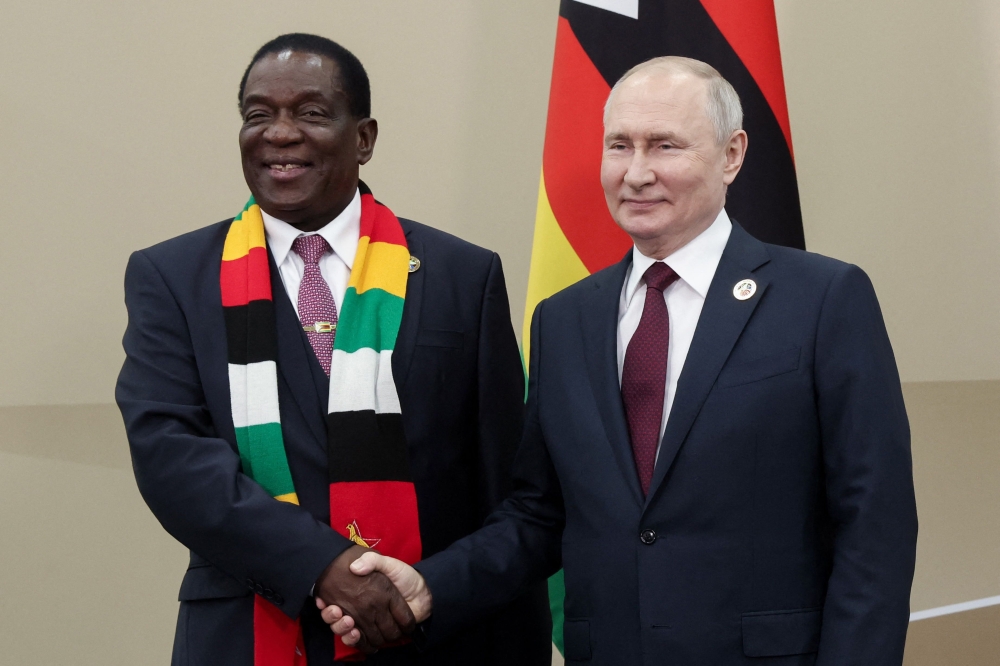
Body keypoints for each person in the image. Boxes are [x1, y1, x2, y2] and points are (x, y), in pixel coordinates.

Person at [323, 56, 919, 665]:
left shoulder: (822, 300)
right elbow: (538, 514)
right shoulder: (564, 320)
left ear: (732, 155)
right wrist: (431, 585)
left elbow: (875, 527)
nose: (636, 173)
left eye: (665, 146)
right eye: (619, 146)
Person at [115, 33, 550, 666]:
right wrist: (322, 565)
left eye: (311, 113)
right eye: (257, 115)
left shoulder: (463, 276)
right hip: (249, 633)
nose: (279, 133)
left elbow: (513, 488)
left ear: (365, 137)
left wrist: (434, 589)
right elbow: (170, 456)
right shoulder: (172, 277)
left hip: (429, 632)